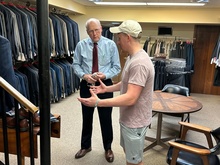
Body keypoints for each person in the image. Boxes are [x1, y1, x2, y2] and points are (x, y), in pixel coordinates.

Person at [77, 20, 155, 165]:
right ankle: (85, 145)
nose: (118, 42)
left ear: (128, 37)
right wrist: (107, 88)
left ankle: (108, 147)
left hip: (135, 121)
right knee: (130, 156)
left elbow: (131, 98)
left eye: (119, 38)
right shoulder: (133, 58)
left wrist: (99, 102)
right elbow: (126, 83)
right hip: (129, 118)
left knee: (135, 161)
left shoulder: (139, 63)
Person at [73, 18, 121, 163]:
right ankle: (85, 146)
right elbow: (76, 64)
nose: (95, 34)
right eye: (91, 31)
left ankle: (108, 148)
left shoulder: (110, 45)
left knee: (105, 118)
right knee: (86, 117)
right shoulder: (81, 45)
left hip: (105, 85)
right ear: (87, 32)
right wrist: (84, 75)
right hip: (86, 85)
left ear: (101, 28)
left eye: (97, 30)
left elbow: (117, 67)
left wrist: (105, 75)